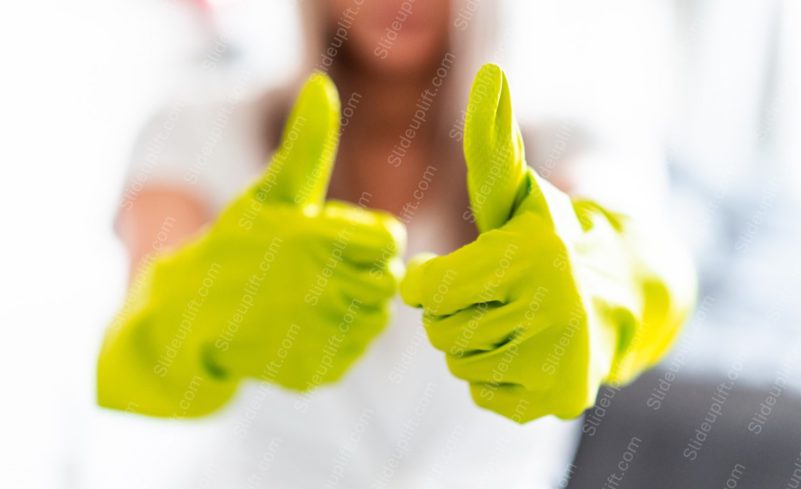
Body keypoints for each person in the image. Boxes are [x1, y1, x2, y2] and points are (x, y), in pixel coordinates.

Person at [97, 1, 695, 486]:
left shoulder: (572, 137)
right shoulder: (200, 126)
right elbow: (137, 331)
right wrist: (203, 306)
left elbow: (643, 246)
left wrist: (598, 279)